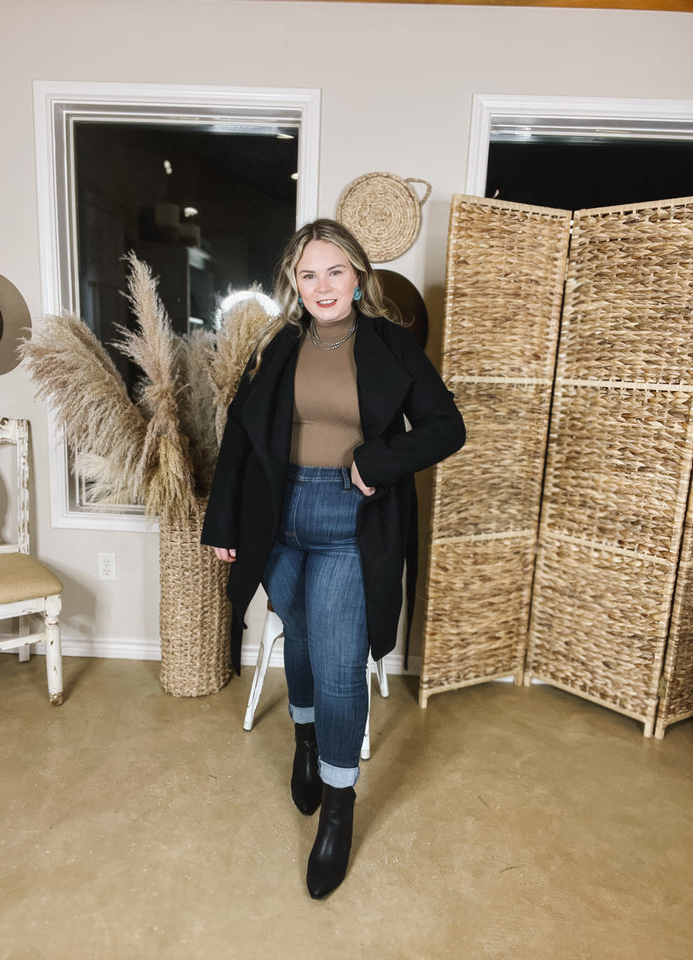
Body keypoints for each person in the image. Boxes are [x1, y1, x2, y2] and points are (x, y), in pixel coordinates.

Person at [201, 218, 465, 899]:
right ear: (294, 281)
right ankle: (307, 740)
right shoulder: (277, 343)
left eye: (335, 271)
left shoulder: (390, 343)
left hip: (350, 521)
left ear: (358, 276)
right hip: (275, 519)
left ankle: (338, 809)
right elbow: (240, 435)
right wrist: (223, 520)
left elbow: (447, 426)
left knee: (340, 664)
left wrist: (378, 461)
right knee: (305, 640)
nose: (323, 287)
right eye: (309, 274)